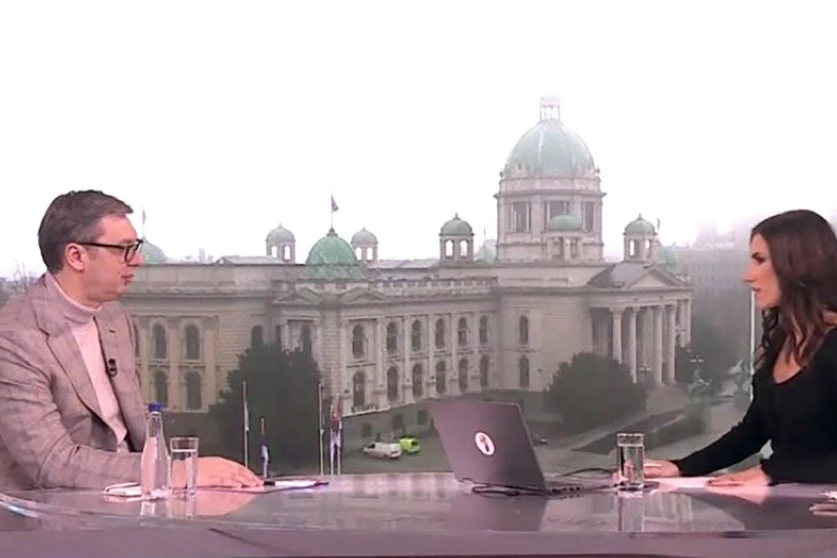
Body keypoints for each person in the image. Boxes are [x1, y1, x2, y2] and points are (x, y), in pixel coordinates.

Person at [0, 190, 261, 490]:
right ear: (76, 256)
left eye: (134, 248)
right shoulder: (14, 338)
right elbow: (52, 463)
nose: (137, 261)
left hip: (138, 499)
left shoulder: (112, 316)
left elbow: (136, 433)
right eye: (123, 249)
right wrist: (173, 472)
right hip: (58, 511)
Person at [646, 209, 837, 486]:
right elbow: (753, 431)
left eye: (759, 260)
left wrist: (772, 473)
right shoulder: (784, 342)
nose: (747, 276)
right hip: (786, 507)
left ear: (797, 264)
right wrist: (681, 467)